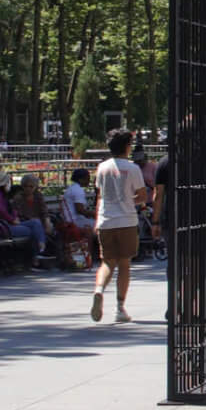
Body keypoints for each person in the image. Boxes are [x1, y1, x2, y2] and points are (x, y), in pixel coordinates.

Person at [89, 129, 146, 322]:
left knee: (107, 261)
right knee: (124, 264)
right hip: (127, 220)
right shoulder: (132, 168)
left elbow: (99, 196)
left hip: (106, 220)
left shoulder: (102, 168)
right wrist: (131, 200)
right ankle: (120, 308)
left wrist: (97, 220)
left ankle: (98, 290)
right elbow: (143, 195)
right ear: (127, 146)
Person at [0, 171, 46, 259]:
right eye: (8, 181)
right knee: (33, 231)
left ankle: (41, 248)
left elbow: (12, 209)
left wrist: (14, 213)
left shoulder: (4, 195)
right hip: (2, 227)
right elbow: (0, 210)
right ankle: (38, 256)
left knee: (36, 222)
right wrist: (12, 219)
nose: (10, 184)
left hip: (9, 225)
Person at [13, 174, 54, 257]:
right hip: (26, 223)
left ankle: (44, 256)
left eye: (31, 186)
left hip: (39, 222)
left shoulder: (38, 196)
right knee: (36, 229)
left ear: (35, 187)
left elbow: (44, 211)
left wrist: (47, 222)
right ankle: (41, 251)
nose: (28, 188)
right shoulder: (18, 198)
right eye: (25, 186)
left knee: (48, 228)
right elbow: (18, 214)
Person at [61, 167, 94, 252]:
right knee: (102, 225)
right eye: (87, 179)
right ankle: (93, 253)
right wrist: (96, 214)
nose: (89, 181)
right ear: (81, 179)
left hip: (69, 219)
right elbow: (80, 210)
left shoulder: (72, 188)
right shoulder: (78, 190)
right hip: (74, 221)